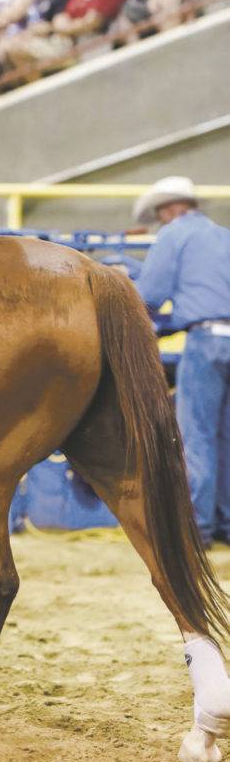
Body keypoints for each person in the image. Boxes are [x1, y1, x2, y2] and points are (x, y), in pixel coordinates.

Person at [133, 176, 230, 548]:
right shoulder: (223, 235)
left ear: (169, 210)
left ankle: (198, 529)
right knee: (225, 435)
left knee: (198, 435)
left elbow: (151, 295)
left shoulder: (175, 235)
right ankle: (224, 523)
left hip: (205, 342)